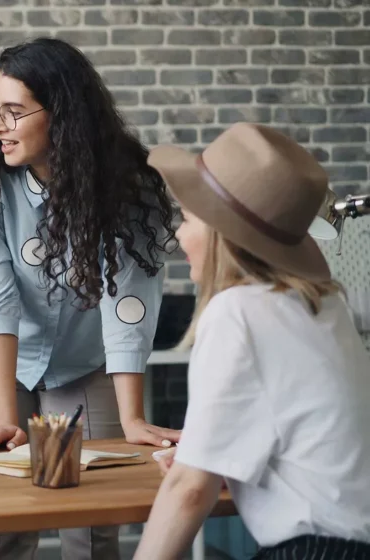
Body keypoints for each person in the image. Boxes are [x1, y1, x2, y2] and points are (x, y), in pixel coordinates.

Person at [0, 37, 181, 559]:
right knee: (5, 517)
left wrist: (132, 419)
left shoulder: (131, 188)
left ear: (62, 116)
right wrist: (5, 420)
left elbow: (128, 298)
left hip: (86, 360)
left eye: (12, 113)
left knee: (95, 523)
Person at [134, 123, 370, 559]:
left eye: (187, 220)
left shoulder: (237, 312)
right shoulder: (327, 306)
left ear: (223, 234)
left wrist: (198, 469)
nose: (179, 237)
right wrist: (216, 454)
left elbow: (188, 491)